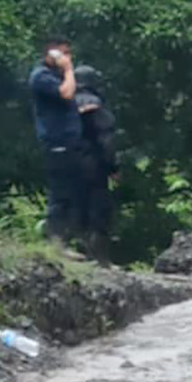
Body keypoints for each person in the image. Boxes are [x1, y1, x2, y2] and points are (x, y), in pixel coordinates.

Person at [29, 35, 84, 246]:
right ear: (51, 53)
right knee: (60, 192)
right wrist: (69, 70)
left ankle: (67, 239)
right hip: (56, 140)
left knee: (71, 191)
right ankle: (56, 240)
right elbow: (67, 93)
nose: (69, 58)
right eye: (64, 53)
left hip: (70, 141)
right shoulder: (41, 76)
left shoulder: (56, 75)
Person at [72, 65, 119, 258]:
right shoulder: (96, 105)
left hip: (67, 162)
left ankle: (73, 251)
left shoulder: (65, 103)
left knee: (75, 207)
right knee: (98, 210)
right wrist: (113, 167)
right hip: (93, 163)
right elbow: (105, 140)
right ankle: (99, 258)